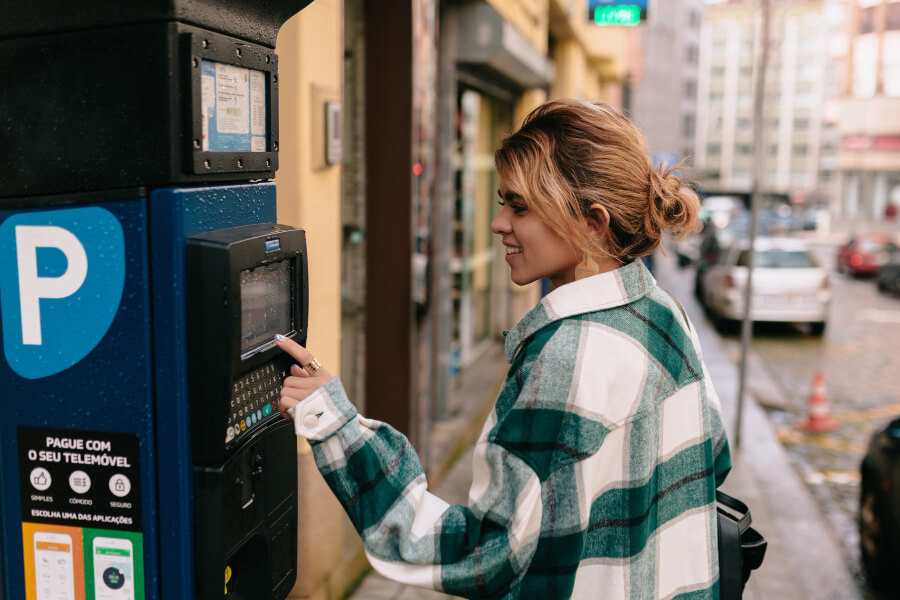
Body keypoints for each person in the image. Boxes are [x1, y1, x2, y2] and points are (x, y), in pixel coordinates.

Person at [275, 99, 731, 599]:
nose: (499, 224)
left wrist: (335, 424)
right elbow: (713, 458)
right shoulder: (663, 313)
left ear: (593, 223)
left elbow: (486, 554)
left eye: (520, 206)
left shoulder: (571, 355)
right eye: (502, 203)